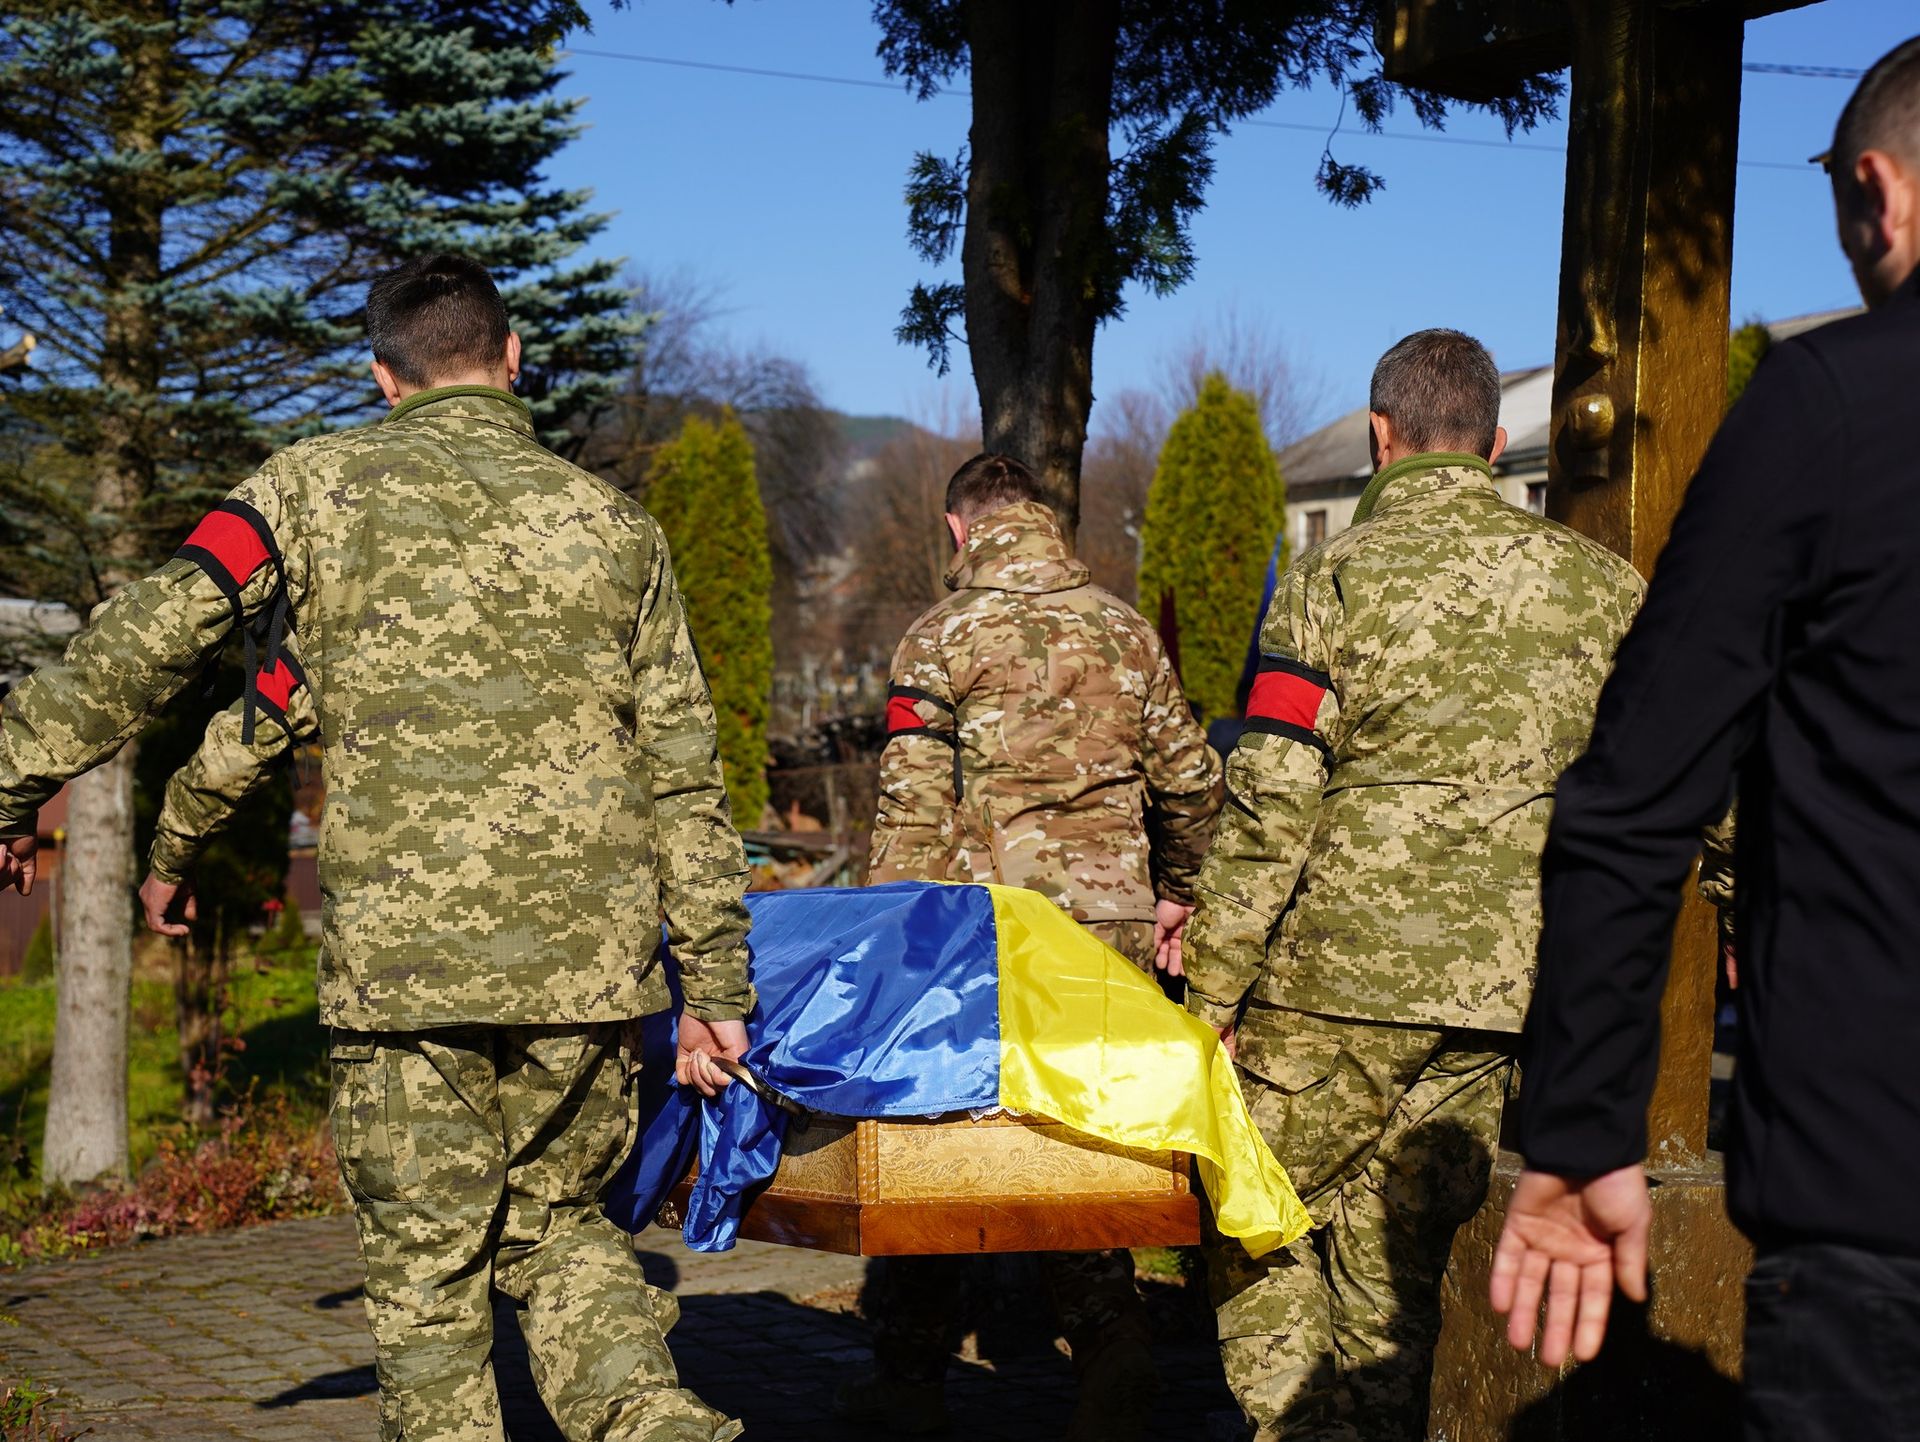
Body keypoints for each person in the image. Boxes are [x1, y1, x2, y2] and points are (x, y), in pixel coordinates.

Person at [0, 253, 752, 1442]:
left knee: (429, 1270)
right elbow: (685, 778)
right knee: (560, 1229)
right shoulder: (619, 529)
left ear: (382, 378)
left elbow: (162, 642)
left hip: (405, 979)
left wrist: (33, 791)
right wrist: (714, 988)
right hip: (586, 978)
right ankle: (656, 1424)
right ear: (513, 361)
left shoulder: (310, 493)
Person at [1491, 38, 1920, 1439]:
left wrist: (1577, 1124)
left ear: (1880, 193)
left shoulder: (1829, 407)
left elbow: (1633, 799)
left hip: (1876, 1198)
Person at [1181, 328, 1646, 1442]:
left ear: (1381, 436)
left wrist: (1212, 992)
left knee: (1250, 1212)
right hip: (1503, 993)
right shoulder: (1607, 587)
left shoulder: (1330, 577)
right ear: (1492, 443)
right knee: (1394, 1266)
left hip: (1334, 978)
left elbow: (1273, 800)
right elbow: (1677, 773)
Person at [835, 452, 1224, 1440]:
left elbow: (913, 805)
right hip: (1107, 938)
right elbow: (1191, 780)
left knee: (942, 1149)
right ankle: (1112, 1349)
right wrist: (1176, 894)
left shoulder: (939, 636)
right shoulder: (1129, 631)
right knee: (1079, 1148)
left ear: (960, 529)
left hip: (978, 938)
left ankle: (911, 1377)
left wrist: (890, 940)